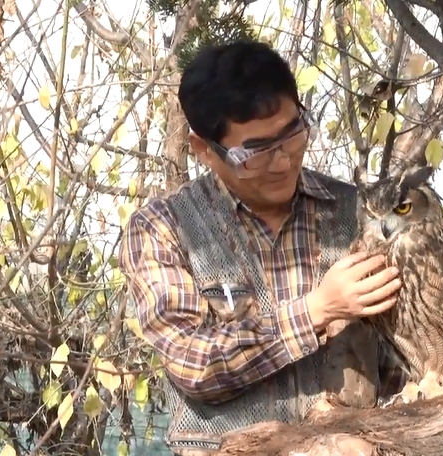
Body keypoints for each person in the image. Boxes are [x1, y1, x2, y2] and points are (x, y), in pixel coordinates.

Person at [118, 39, 405, 455]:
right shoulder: (163, 229)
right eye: (255, 153)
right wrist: (316, 311)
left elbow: (407, 356)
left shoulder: (358, 212)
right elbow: (192, 365)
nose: (283, 162)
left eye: (292, 136)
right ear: (204, 150)